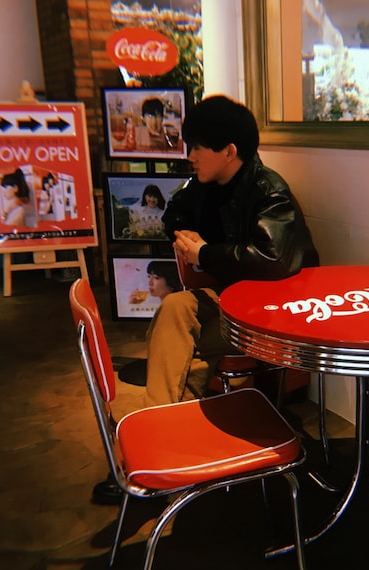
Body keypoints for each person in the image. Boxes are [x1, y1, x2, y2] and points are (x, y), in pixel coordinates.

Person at [92, 95, 319, 505]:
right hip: (228, 303)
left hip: (269, 316)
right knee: (175, 308)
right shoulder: (203, 185)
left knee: (188, 353)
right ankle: (160, 439)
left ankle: (159, 448)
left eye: (197, 146)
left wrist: (205, 253)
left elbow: (272, 260)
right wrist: (185, 236)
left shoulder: (269, 191)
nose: (189, 155)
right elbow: (173, 214)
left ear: (229, 151)